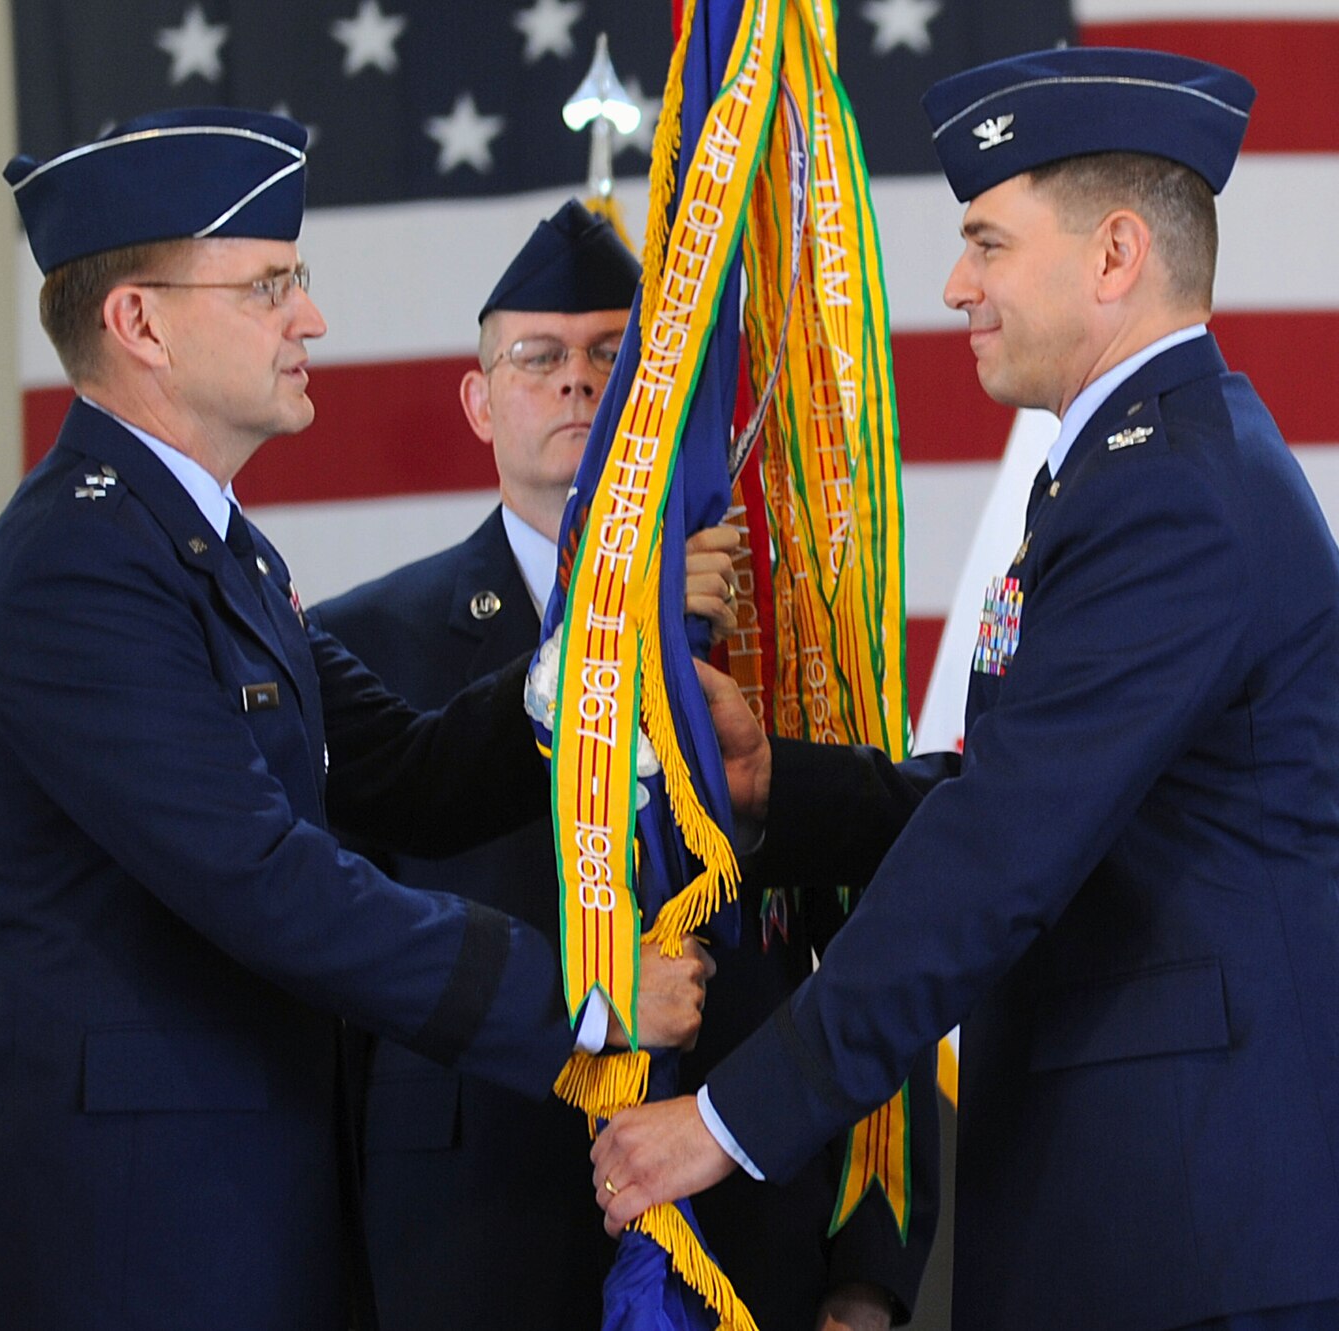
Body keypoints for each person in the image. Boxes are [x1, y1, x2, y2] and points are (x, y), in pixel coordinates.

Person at [591, 47, 1339, 1331]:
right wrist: (785, 780)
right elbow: (1028, 793)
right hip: (1171, 1220)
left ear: (1111, 257)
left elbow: (1000, 849)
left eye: (987, 243)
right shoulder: (1125, 471)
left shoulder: (1170, 496)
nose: (954, 285)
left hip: (1212, 1232)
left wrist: (727, 1118)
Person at [0, 109, 715, 1331]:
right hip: (126, 1232)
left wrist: (594, 659)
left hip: (239, 1196)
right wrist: (585, 997)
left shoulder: (210, 547)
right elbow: (267, 878)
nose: (311, 317)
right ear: (140, 324)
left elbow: (400, 768)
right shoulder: (76, 570)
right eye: (269, 283)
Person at [313, 200, 936, 1331]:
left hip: (747, 1212)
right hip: (463, 1229)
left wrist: (867, 1264)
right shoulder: (365, 647)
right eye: (537, 357)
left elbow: (872, 924)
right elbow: (333, 979)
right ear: (477, 397)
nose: (574, 384)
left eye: (613, 354)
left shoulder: (771, 629)